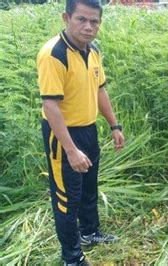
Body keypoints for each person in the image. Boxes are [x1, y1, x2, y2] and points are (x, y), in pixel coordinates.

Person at [37, 0, 124, 265]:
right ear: (67, 17)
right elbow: (50, 106)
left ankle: (90, 232)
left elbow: (100, 91)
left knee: (88, 187)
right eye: (81, 20)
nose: (89, 27)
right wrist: (71, 150)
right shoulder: (54, 53)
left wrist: (114, 125)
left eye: (94, 21)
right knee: (66, 197)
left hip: (88, 129)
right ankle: (72, 257)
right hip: (62, 135)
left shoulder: (93, 50)